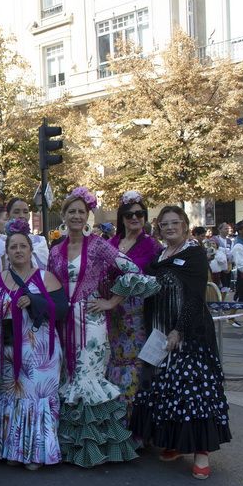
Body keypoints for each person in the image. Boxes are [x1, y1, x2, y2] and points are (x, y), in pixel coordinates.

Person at [48, 187, 157, 468]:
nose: (75, 216)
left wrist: (112, 301)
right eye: (71, 211)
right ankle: (70, 445)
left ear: (88, 217)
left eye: (80, 212)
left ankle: (95, 446)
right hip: (64, 324)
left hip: (92, 322)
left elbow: (132, 270)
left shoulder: (98, 245)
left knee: (87, 378)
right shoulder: (56, 250)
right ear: (63, 215)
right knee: (68, 377)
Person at [131, 207, 232, 479]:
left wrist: (179, 330)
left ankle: (201, 453)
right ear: (159, 229)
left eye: (175, 223)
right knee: (165, 389)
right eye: (165, 224)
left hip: (190, 334)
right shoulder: (160, 257)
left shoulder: (195, 254)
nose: (170, 227)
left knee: (193, 393)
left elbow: (195, 298)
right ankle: (175, 443)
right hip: (161, 332)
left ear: (186, 226)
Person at [0, 219, 68, 470]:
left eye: (23, 246)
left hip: (39, 353)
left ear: (31, 251)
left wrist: (33, 300)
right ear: (7, 252)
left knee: (36, 399)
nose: (19, 250)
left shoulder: (46, 277)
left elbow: (62, 309)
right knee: (11, 398)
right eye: (14, 247)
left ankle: (36, 453)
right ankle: (12, 449)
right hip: (8, 351)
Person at [107, 191, 163, 402]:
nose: (134, 218)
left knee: (136, 360)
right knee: (115, 357)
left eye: (139, 214)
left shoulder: (152, 245)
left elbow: (155, 281)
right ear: (122, 218)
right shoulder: (111, 243)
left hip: (138, 313)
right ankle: (116, 413)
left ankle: (135, 415)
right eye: (129, 214)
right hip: (114, 313)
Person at [4, 198, 48, 268]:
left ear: (29, 215)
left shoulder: (40, 241)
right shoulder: (1, 243)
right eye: (16, 212)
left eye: (25, 212)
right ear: (7, 216)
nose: (22, 215)